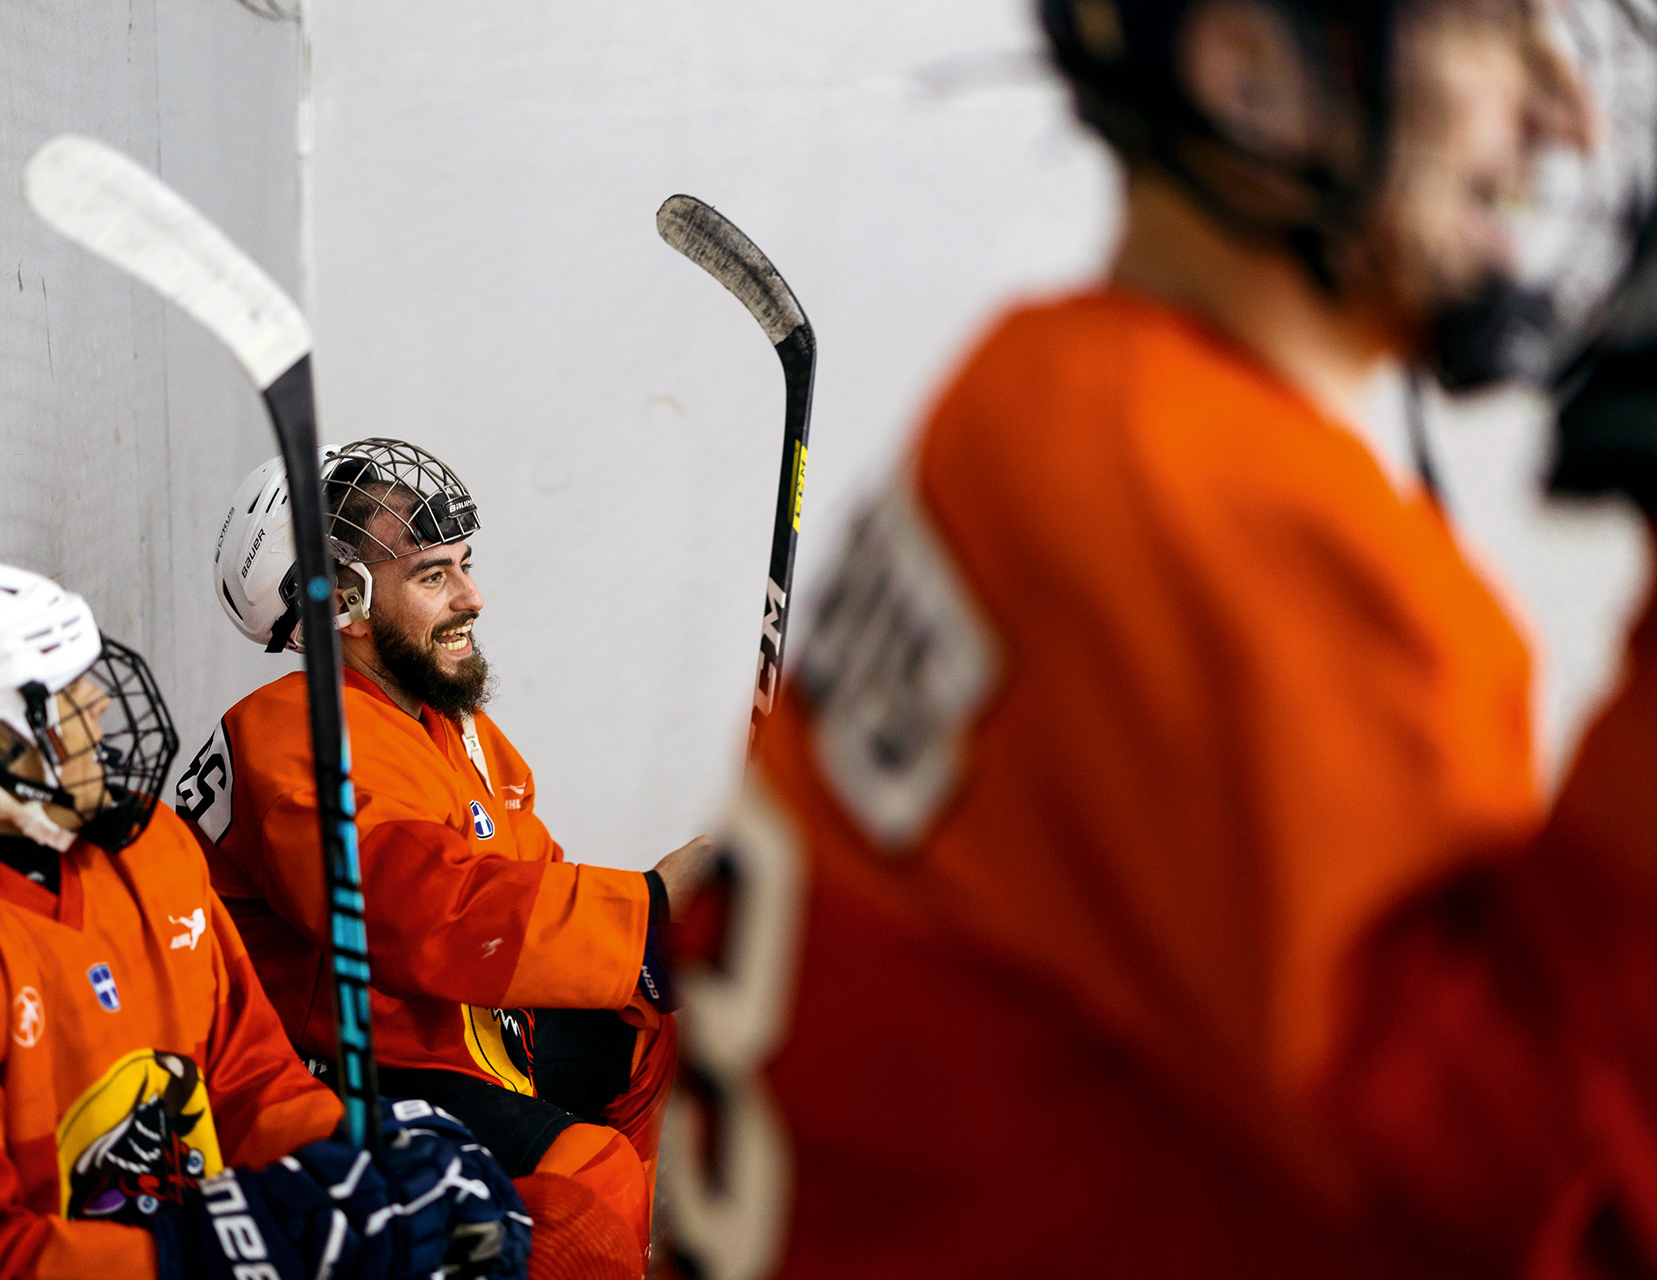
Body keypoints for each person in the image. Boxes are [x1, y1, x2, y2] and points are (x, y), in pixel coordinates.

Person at [659, 0, 1657, 1275]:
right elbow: (1556, 1204)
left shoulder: (1032, 396)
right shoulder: (1211, 512)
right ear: (1251, 76)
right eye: (1492, 30)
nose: (1564, 110)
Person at [0, 558, 530, 1280]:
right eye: (62, 695)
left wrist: (359, 1159)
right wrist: (230, 1248)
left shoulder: (145, 844)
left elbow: (248, 1077)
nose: (98, 703)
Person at [176, 440, 712, 1272]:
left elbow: (530, 880)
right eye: (433, 576)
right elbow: (421, 916)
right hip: (334, 1066)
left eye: (464, 564)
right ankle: (584, 1246)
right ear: (341, 601)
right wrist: (645, 916)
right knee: (587, 1178)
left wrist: (664, 934)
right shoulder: (298, 731)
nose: (474, 596)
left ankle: (611, 1255)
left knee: (648, 1021)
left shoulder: (440, 721)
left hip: (444, 1029)